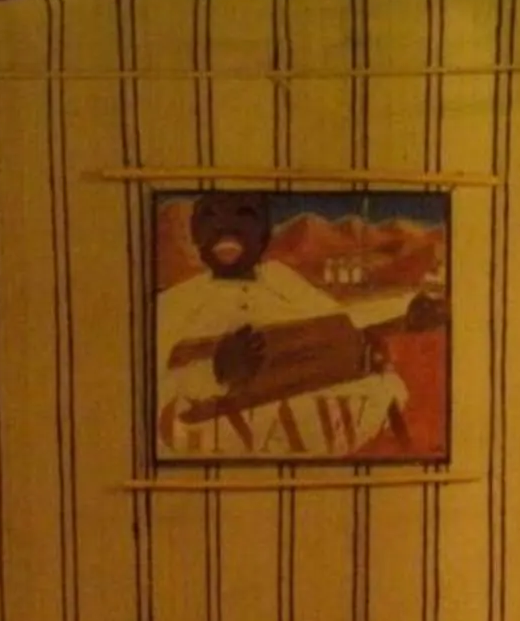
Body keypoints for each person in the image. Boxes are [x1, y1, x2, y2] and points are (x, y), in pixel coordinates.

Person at [153, 192, 440, 460]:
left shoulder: (282, 280)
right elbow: (149, 386)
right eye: (211, 217)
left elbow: (341, 321)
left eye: (245, 215)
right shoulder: (172, 305)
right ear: (195, 233)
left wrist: (406, 316)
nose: (228, 228)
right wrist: (214, 374)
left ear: (265, 233)